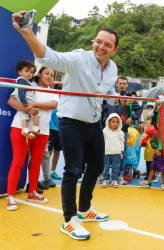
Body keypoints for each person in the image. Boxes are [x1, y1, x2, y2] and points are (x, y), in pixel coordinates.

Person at [12, 11, 119, 239]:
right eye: (98, 42)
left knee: (97, 167)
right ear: (94, 42)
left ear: (114, 50)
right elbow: (49, 56)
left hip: (93, 123)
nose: (101, 47)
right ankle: (69, 220)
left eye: (107, 45)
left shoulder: (113, 69)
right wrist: (27, 33)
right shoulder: (79, 58)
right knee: (73, 170)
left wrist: (115, 96)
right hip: (71, 122)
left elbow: (106, 93)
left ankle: (84, 209)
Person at [7, 66, 58, 210]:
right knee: (18, 162)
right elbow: (11, 101)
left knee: (36, 163)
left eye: (52, 75)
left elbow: (52, 105)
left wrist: (34, 104)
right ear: (39, 74)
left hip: (42, 131)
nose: (49, 76)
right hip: (21, 128)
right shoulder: (28, 85)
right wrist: (27, 109)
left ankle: (32, 192)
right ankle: (11, 196)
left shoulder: (53, 92)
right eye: (46, 73)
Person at [15, 61, 39, 138]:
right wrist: (25, 102)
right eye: (26, 71)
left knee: (24, 116)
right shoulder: (22, 80)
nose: (29, 74)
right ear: (19, 72)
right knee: (36, 112)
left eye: (31, 72)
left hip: (25, 101)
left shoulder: (27, 81)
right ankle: (35, 127)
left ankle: (25, 129)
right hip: (26, 101)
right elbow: (21, 92)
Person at [102, 113, 125, 188]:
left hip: (117, 153)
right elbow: (102, 141)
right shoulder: (104, 131)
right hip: (106, 152)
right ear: (109, 122)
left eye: (117, 122)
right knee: (106, 167)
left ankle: (114, 179)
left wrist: (121, 152)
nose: (115, 124)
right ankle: (105, 179)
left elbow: (122, 142)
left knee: (116, 167)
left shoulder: (120, 132)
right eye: (113, 122)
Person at [49, 83, 63, 180]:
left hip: (60, 130)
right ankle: (46, 173)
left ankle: (52, 171)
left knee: (57, 151)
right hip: (50, 130)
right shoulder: (51, 101)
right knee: (48, 151)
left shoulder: (64, 103)